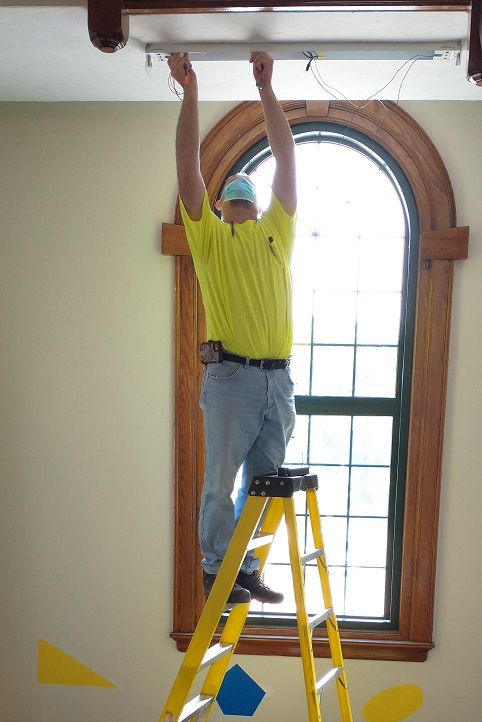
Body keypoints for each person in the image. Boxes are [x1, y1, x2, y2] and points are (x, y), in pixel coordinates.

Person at [168, 50, 297, 609]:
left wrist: (267, 91)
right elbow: (186, 167)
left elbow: (287, 161)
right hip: (232, 378)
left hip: (279, 381)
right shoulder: (211, 239)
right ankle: (218, 568)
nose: (243, 192)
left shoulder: (277, 232)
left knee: (264, 487)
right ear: (220, 204)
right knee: (219, 483)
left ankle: (244, 564)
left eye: (249, 188)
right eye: (231, 192)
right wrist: (191, 91)